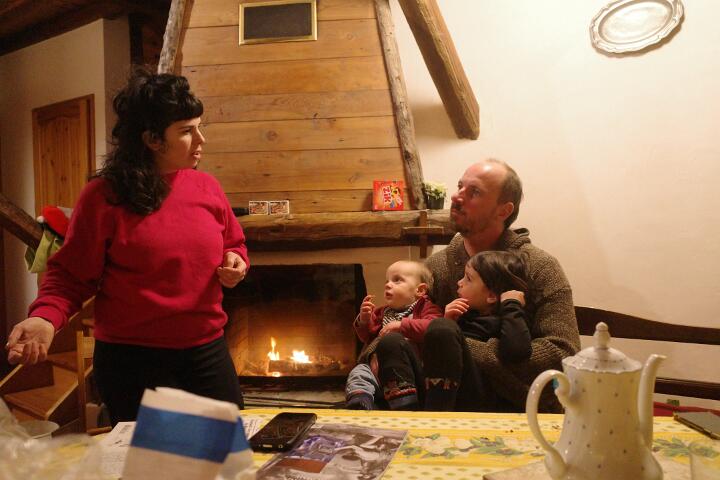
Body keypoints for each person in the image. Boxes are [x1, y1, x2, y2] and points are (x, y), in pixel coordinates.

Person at [5, 69, 249, 424]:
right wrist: (44, 318)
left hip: (207, 352)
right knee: (161, 457)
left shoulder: (208, 187)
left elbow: (234, 242)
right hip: (135, 363)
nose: (201, 139)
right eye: (186, 131)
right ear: (152, 139)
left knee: (226, 450)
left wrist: (236, 260)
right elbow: (71, 275)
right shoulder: (103, 196)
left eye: (199, 127)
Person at [424, 159, 579, 412]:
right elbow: (394, 323)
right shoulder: (435, 267)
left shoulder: (540, 267)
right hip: (442, 412)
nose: (456, 196)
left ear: (504, 211)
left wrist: (457, 347)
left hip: (523, 414)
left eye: (474, 192)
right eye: (460, 186)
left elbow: (563, 354)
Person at [423, 250, 531, 411]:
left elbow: (517, 352)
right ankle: (404, 408)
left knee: (441, 328)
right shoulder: (463, 316)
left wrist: (511, 305)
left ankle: (436, 415)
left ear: (491, 296)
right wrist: (449, 323)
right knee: (393, 342)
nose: (459, 282)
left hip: (478, 400)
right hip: (443, 391)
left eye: (468, 278)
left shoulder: (505, 321)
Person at [345, 261, 442, 410]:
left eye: (397, 280)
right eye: (387, 281)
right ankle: (361, 401)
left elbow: (434, 327)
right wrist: (364, 320)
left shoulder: (426, 308)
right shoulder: (382, 312)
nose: (388, 285)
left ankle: (405, 404)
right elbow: (367, 337)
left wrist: (402, 325)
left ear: (420, 290)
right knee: (359, 373)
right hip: (375, 370)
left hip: (406, 373)